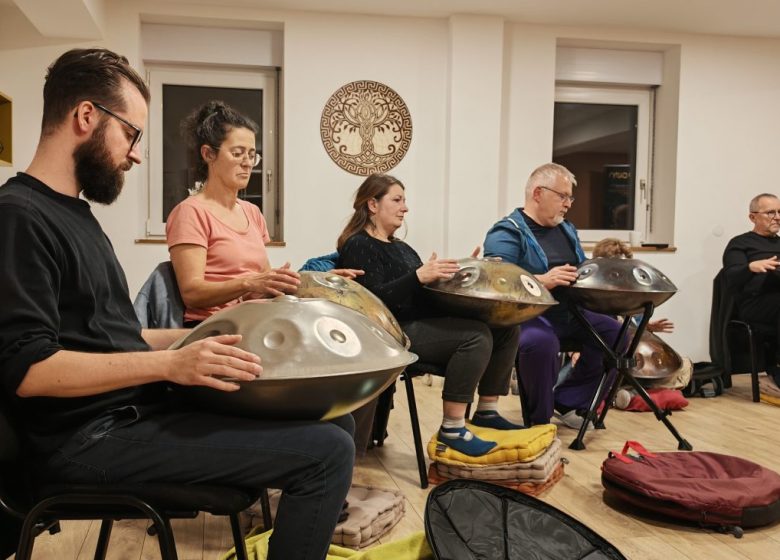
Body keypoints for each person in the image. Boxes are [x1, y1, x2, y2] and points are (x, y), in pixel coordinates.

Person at [0, 48, 354, 560]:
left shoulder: (76, 215)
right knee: (327, 455)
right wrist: (172, 362)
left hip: (130, 410)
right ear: (85, 117)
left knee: (333, 420)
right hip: (83, 440)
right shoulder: (19, 217)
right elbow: (28, 370)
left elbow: (114, 337)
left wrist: (217, 335)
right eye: (132, 134)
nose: (138, 154)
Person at [336, 174, 522, 457]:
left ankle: (486, 411)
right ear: (372, 204)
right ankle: (453, 428)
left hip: (419, 322)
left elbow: (423, 291)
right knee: (475, 336)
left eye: (404, 200)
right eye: (397, 200)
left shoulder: (402, 247)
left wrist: (463, 273)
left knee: (506, 328)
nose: (405, 208)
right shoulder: (358, 245)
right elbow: (372, 302)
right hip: (392, 332)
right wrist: (419, 276)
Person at [483, 163, 624, 429]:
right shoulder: (506, 232)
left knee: (617, 334)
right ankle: (540, 420)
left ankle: (569, 400)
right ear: (538, 193)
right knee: (540, 343)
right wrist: (543, 280)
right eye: (562, 196)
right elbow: (496, 281)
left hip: (569, 312)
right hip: (526, 316)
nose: (568, 204)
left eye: (570, 197)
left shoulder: (566, 229)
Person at [722, 193, 780, 389]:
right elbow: (730, 277)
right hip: (754, 305)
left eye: (779, 212)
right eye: (771, 212)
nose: (777, 217)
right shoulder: (740, 244)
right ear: (752, 217)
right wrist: (750, 267)